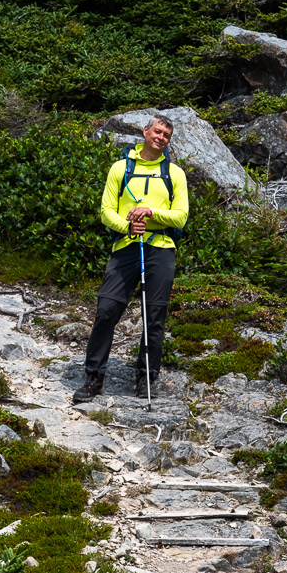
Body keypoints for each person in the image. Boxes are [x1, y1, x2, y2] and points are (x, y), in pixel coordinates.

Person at [72, 114, 189, 402]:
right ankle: (94, 376)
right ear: (145, 131)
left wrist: (150, 212)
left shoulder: (175, 173)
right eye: (157, 131)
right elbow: (106, 211)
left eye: (166, 135)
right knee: (107, 309)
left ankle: (146, 377)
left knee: (154, 315)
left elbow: (181, 217)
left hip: (161, 248)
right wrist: (127, 227)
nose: (160, 138)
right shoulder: (120, 168)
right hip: (126, 247)